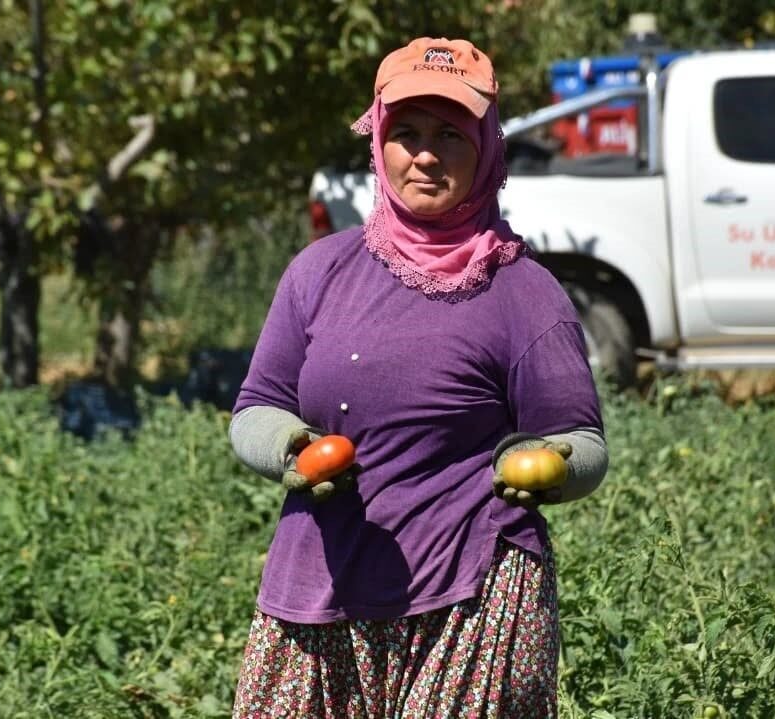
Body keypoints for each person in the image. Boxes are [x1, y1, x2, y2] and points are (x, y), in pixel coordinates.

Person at [228, 36, 608, 719]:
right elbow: (256, 405)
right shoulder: (319, 271)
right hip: (321, 583)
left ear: (486, 145)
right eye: (404, 133)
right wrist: (289, 447)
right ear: (378, 142)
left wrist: (552, 464)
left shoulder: (525, 293)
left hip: (472, 598)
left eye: (449, 135)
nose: (425, 154)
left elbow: (582, 440)